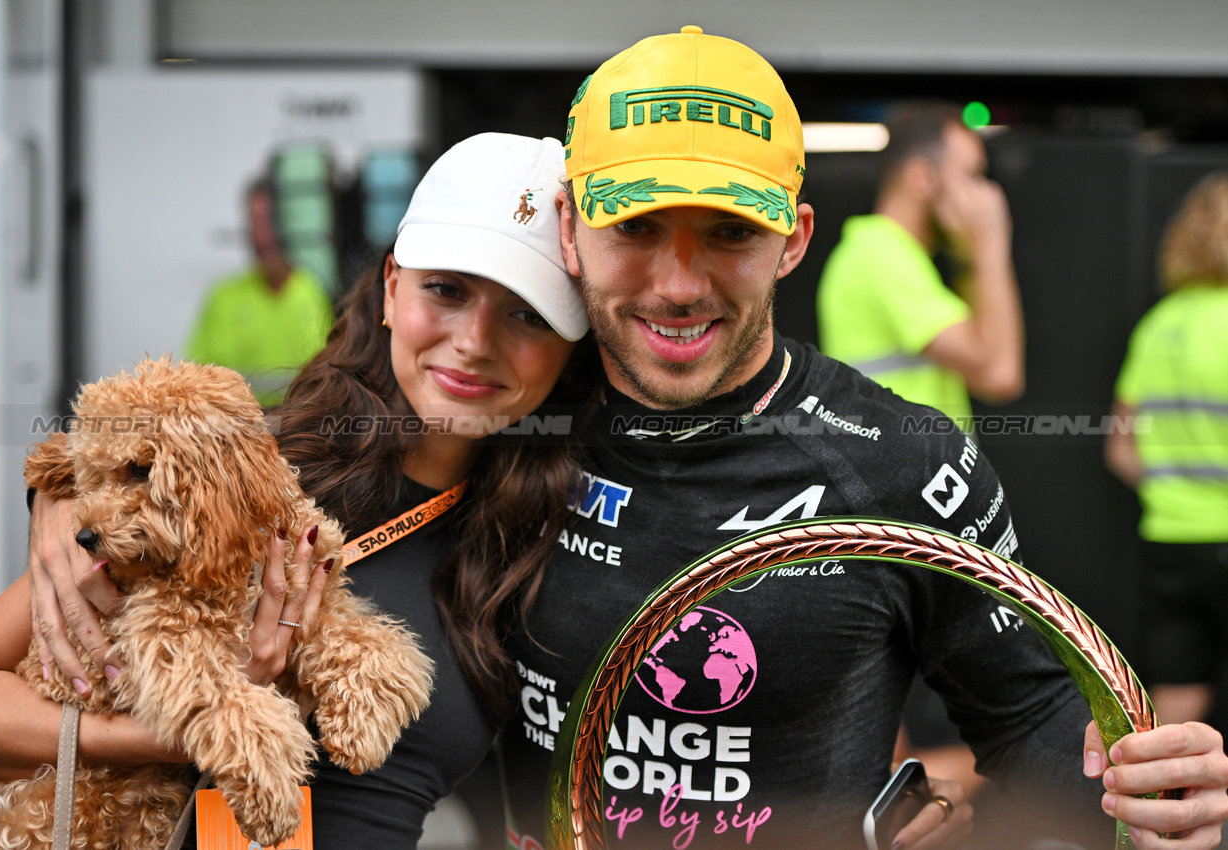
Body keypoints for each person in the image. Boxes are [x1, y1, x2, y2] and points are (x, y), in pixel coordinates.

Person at [494, 26, 1228, 850]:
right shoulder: (500, 428)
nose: (678, 284)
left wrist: (1155, 794)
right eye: (634, 227)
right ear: (567, 228)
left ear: (792, 240)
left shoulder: (905, 461)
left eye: (731, 232)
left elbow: (1028, 713)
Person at [0, 132, 598, 849]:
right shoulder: (229, 477)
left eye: (527, 314)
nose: (474, 340)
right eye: (445, 289)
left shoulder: (563, 532)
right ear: (391, 288)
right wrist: (168, 733)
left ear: (574, 342)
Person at [1105, 171, 1228, 733]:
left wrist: (1173, 491)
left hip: (1169, 541)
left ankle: (1159, 818)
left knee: (1177, 695)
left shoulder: (1158, 327)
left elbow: (1121, 448)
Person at [816, 101, 1025, 425]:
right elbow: (1000, 374)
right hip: (898, 473)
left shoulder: (889, 254)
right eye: (972, 175)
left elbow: (987, 369)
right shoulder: (881, 255)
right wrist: (991, 245)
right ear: (922, 178)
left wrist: (971, 257)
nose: (984, 196)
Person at [185, 179, 334, 407]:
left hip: (301, 436)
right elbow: (191, 381)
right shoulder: (222, 298)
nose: (261, 237)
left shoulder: (318, 296)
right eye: (254, 223)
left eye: (269, 222)